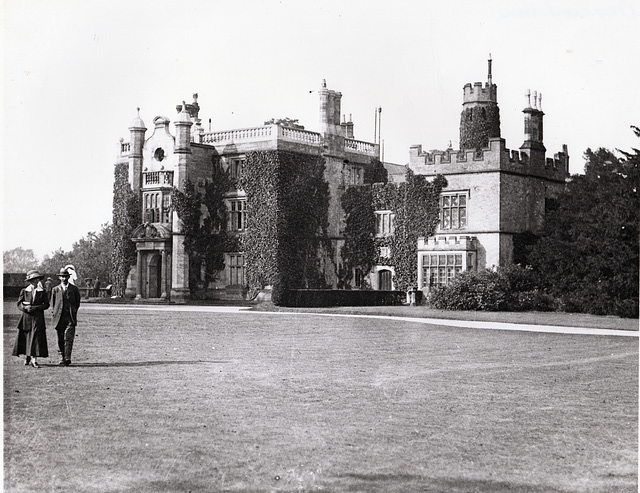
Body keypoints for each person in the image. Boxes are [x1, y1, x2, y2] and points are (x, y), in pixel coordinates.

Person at [12, 270, 50, 368]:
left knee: (36, 338)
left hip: (38, 318)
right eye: (33, 280)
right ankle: (27, 357)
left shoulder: (42, 292)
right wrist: (25, 308)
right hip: (26, 318)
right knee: (26, 337)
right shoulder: (24, 291)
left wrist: (36, 308)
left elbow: (46, 304)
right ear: (29, 281)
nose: (35, 282)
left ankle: (34, 359)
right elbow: (19, 304)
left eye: (36, 279)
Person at [50, 267, 81, 366]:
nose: (64, 278)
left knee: (69, 337)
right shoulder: (55, 290)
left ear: (68, 277)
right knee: (59, 338)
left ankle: (67, 357)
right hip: (59, 318)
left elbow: (77, 302)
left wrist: (73, 311)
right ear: (60, 278)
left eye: (65, 276)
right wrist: (55, 313)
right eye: (62, 277)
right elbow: (53, 303)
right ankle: (61, 357)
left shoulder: (74, 289)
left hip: (70, 317)